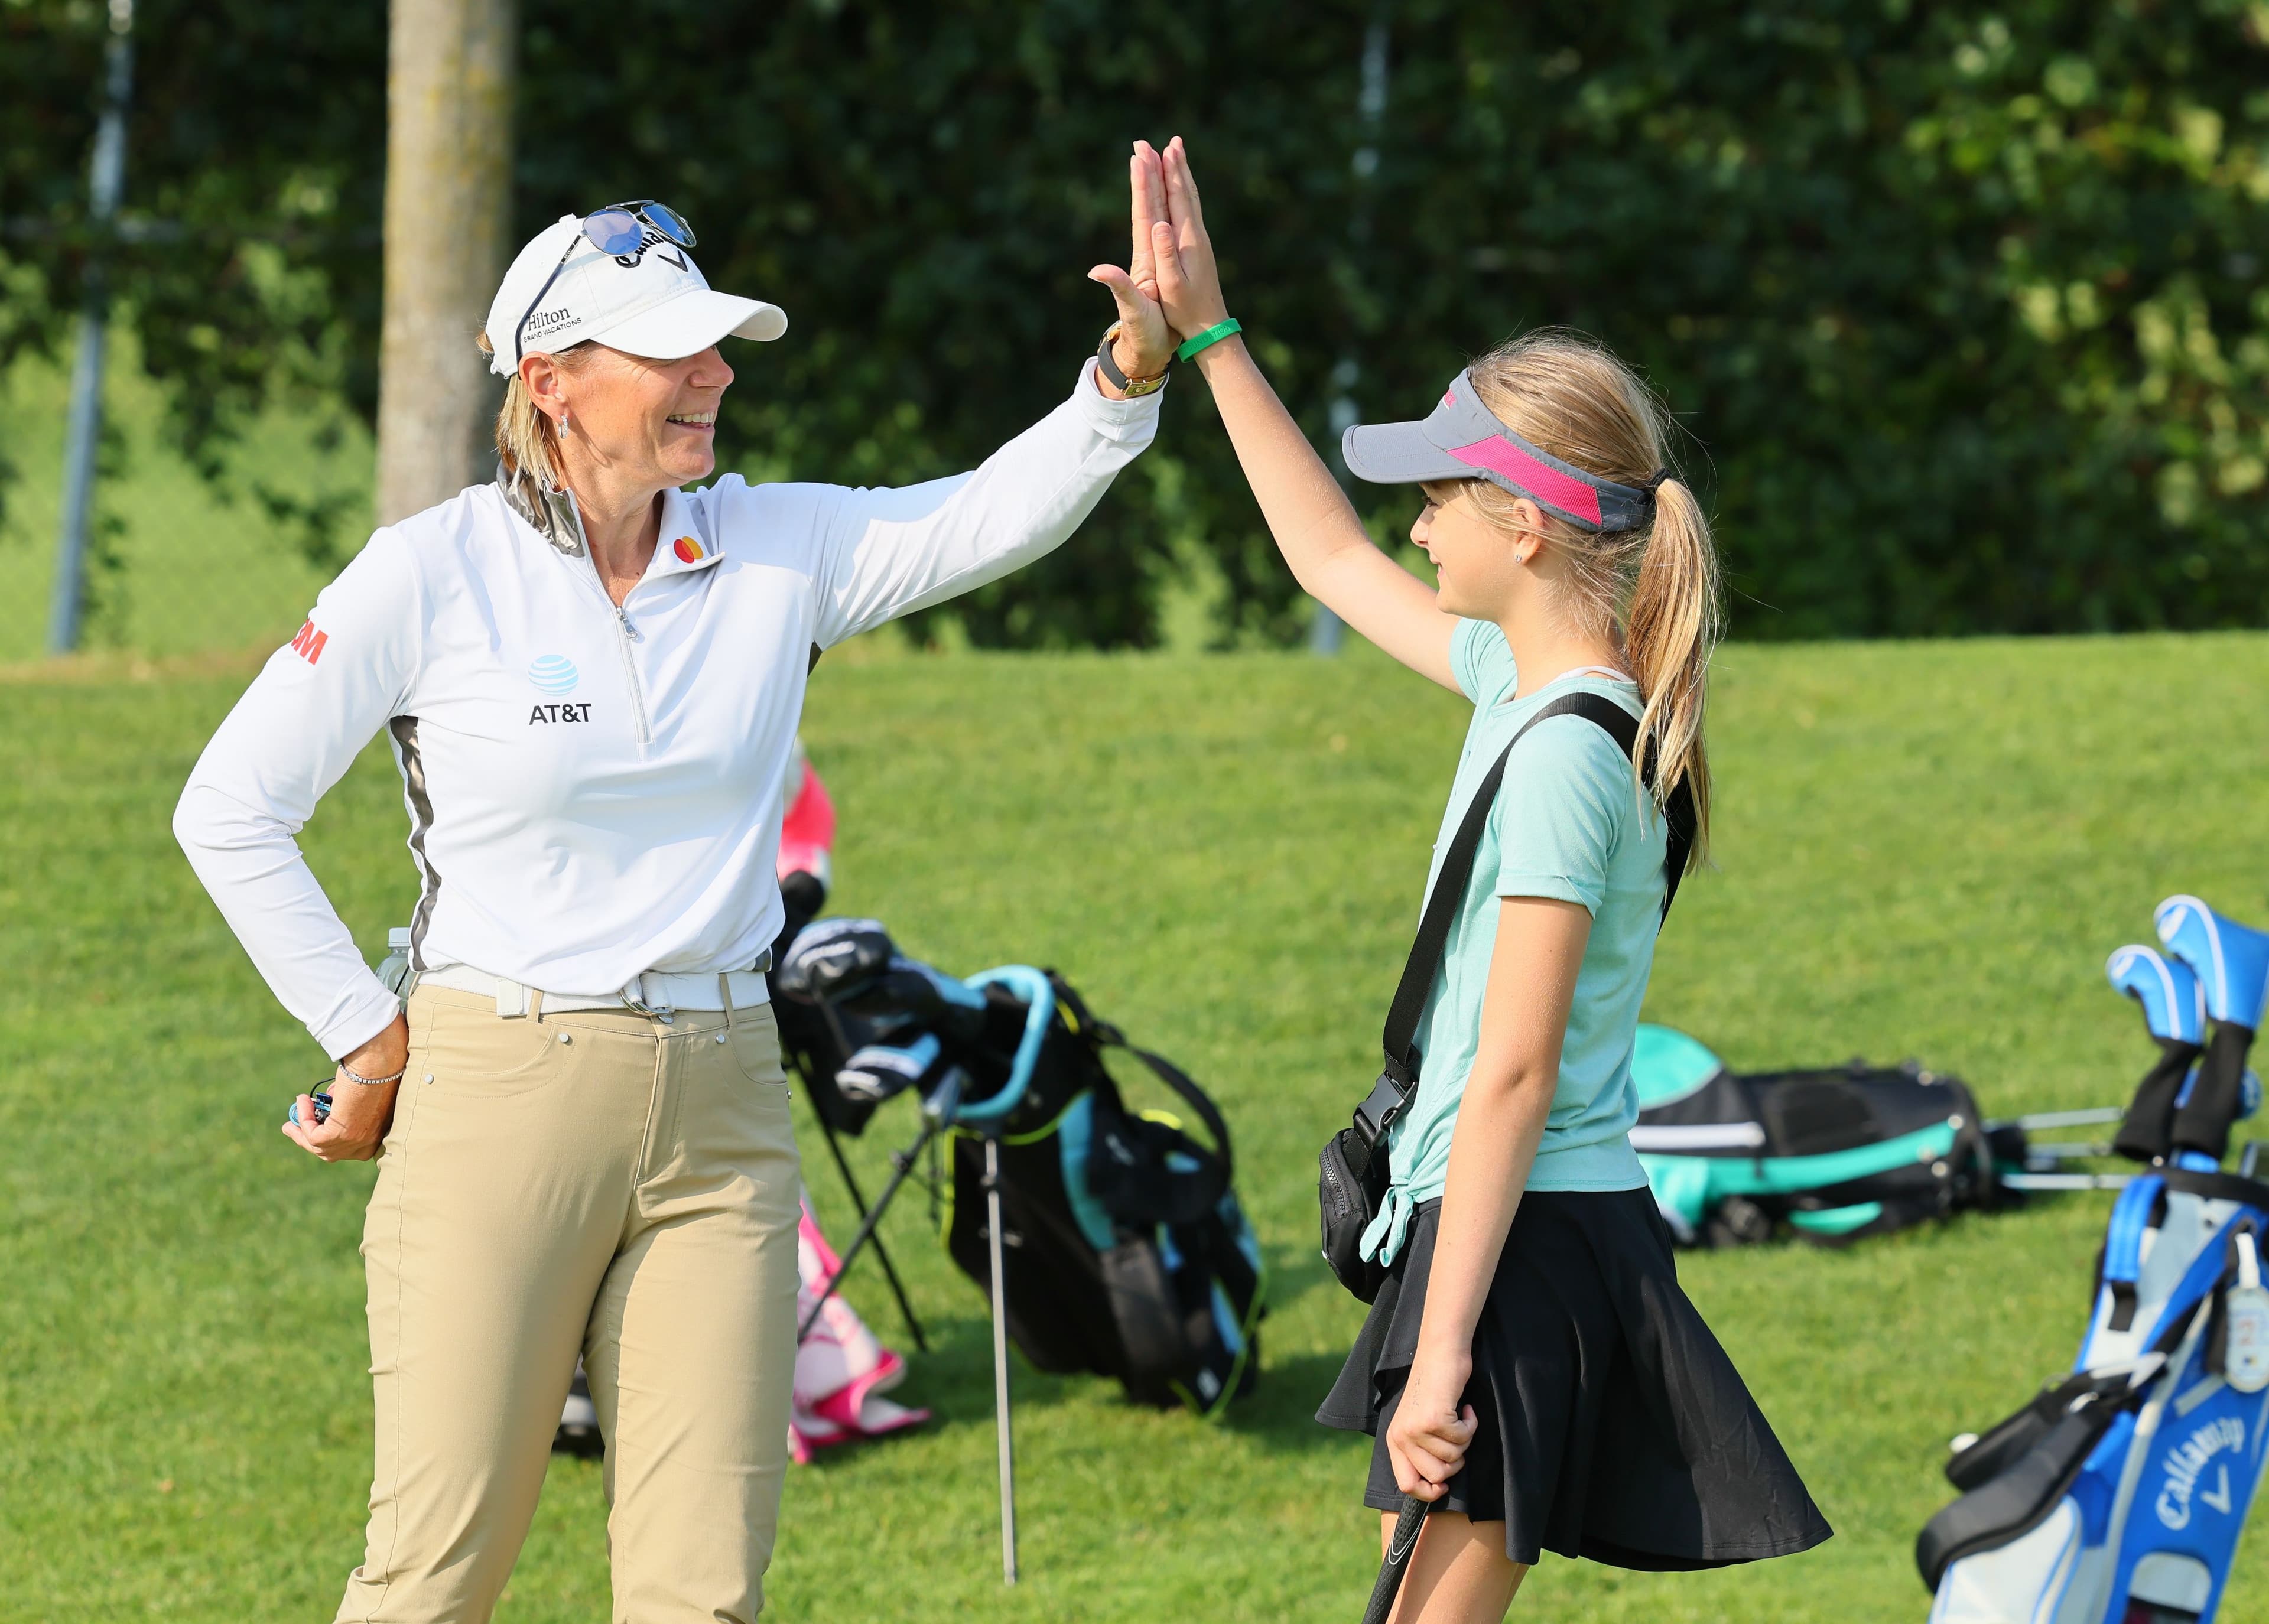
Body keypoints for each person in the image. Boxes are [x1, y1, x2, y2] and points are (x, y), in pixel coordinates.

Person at [173, 194, 1176, 1622]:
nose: (711, 372)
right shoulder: (433, 569)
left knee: (702, 1593)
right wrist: (368, 1037)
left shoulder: (777, 547)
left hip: (724, 1108)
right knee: (434, 1575)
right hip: (495, 1095)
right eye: (669, 352)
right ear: (551, 384)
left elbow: (978, 519)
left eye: (715, 346)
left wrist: (1122, 383)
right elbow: (229, 808)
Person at [1092, 140, 1831, 1619]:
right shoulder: (1527, 680)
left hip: (1517, 1248)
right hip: (1513, 1237)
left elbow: (1513, 1069)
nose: (1415, 524)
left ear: (1526, 523)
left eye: (1440, 494)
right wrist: (1213, 334)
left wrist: (1442, 1355)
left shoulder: (1567, 752)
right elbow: (1324, 552)